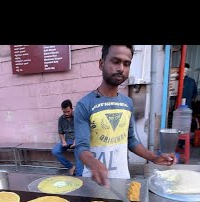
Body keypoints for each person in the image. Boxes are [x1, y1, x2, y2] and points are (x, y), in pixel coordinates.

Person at [74, 45, 177, 187]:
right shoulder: (85, 105)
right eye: (115, 61)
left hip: (122, 180)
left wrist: (154, 158)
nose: (121, 68)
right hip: (95, 181)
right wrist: (93, 163)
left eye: (126, 63)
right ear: (101, 63)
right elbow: (81, 148)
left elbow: (130, 140)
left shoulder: (127, 103)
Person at [52, 99, 83, 176]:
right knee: (55, 151)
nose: (66, 113)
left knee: (79, 155)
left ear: (72, 109)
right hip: (68, 140)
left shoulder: (78, 117)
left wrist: (76, 141)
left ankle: (79, 176)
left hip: (78, 140)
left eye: (68, 111)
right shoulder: (61, 119)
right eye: (64, 112)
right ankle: (71, 167)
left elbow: (82, 131)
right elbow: (61, 133)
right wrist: (63, 141)